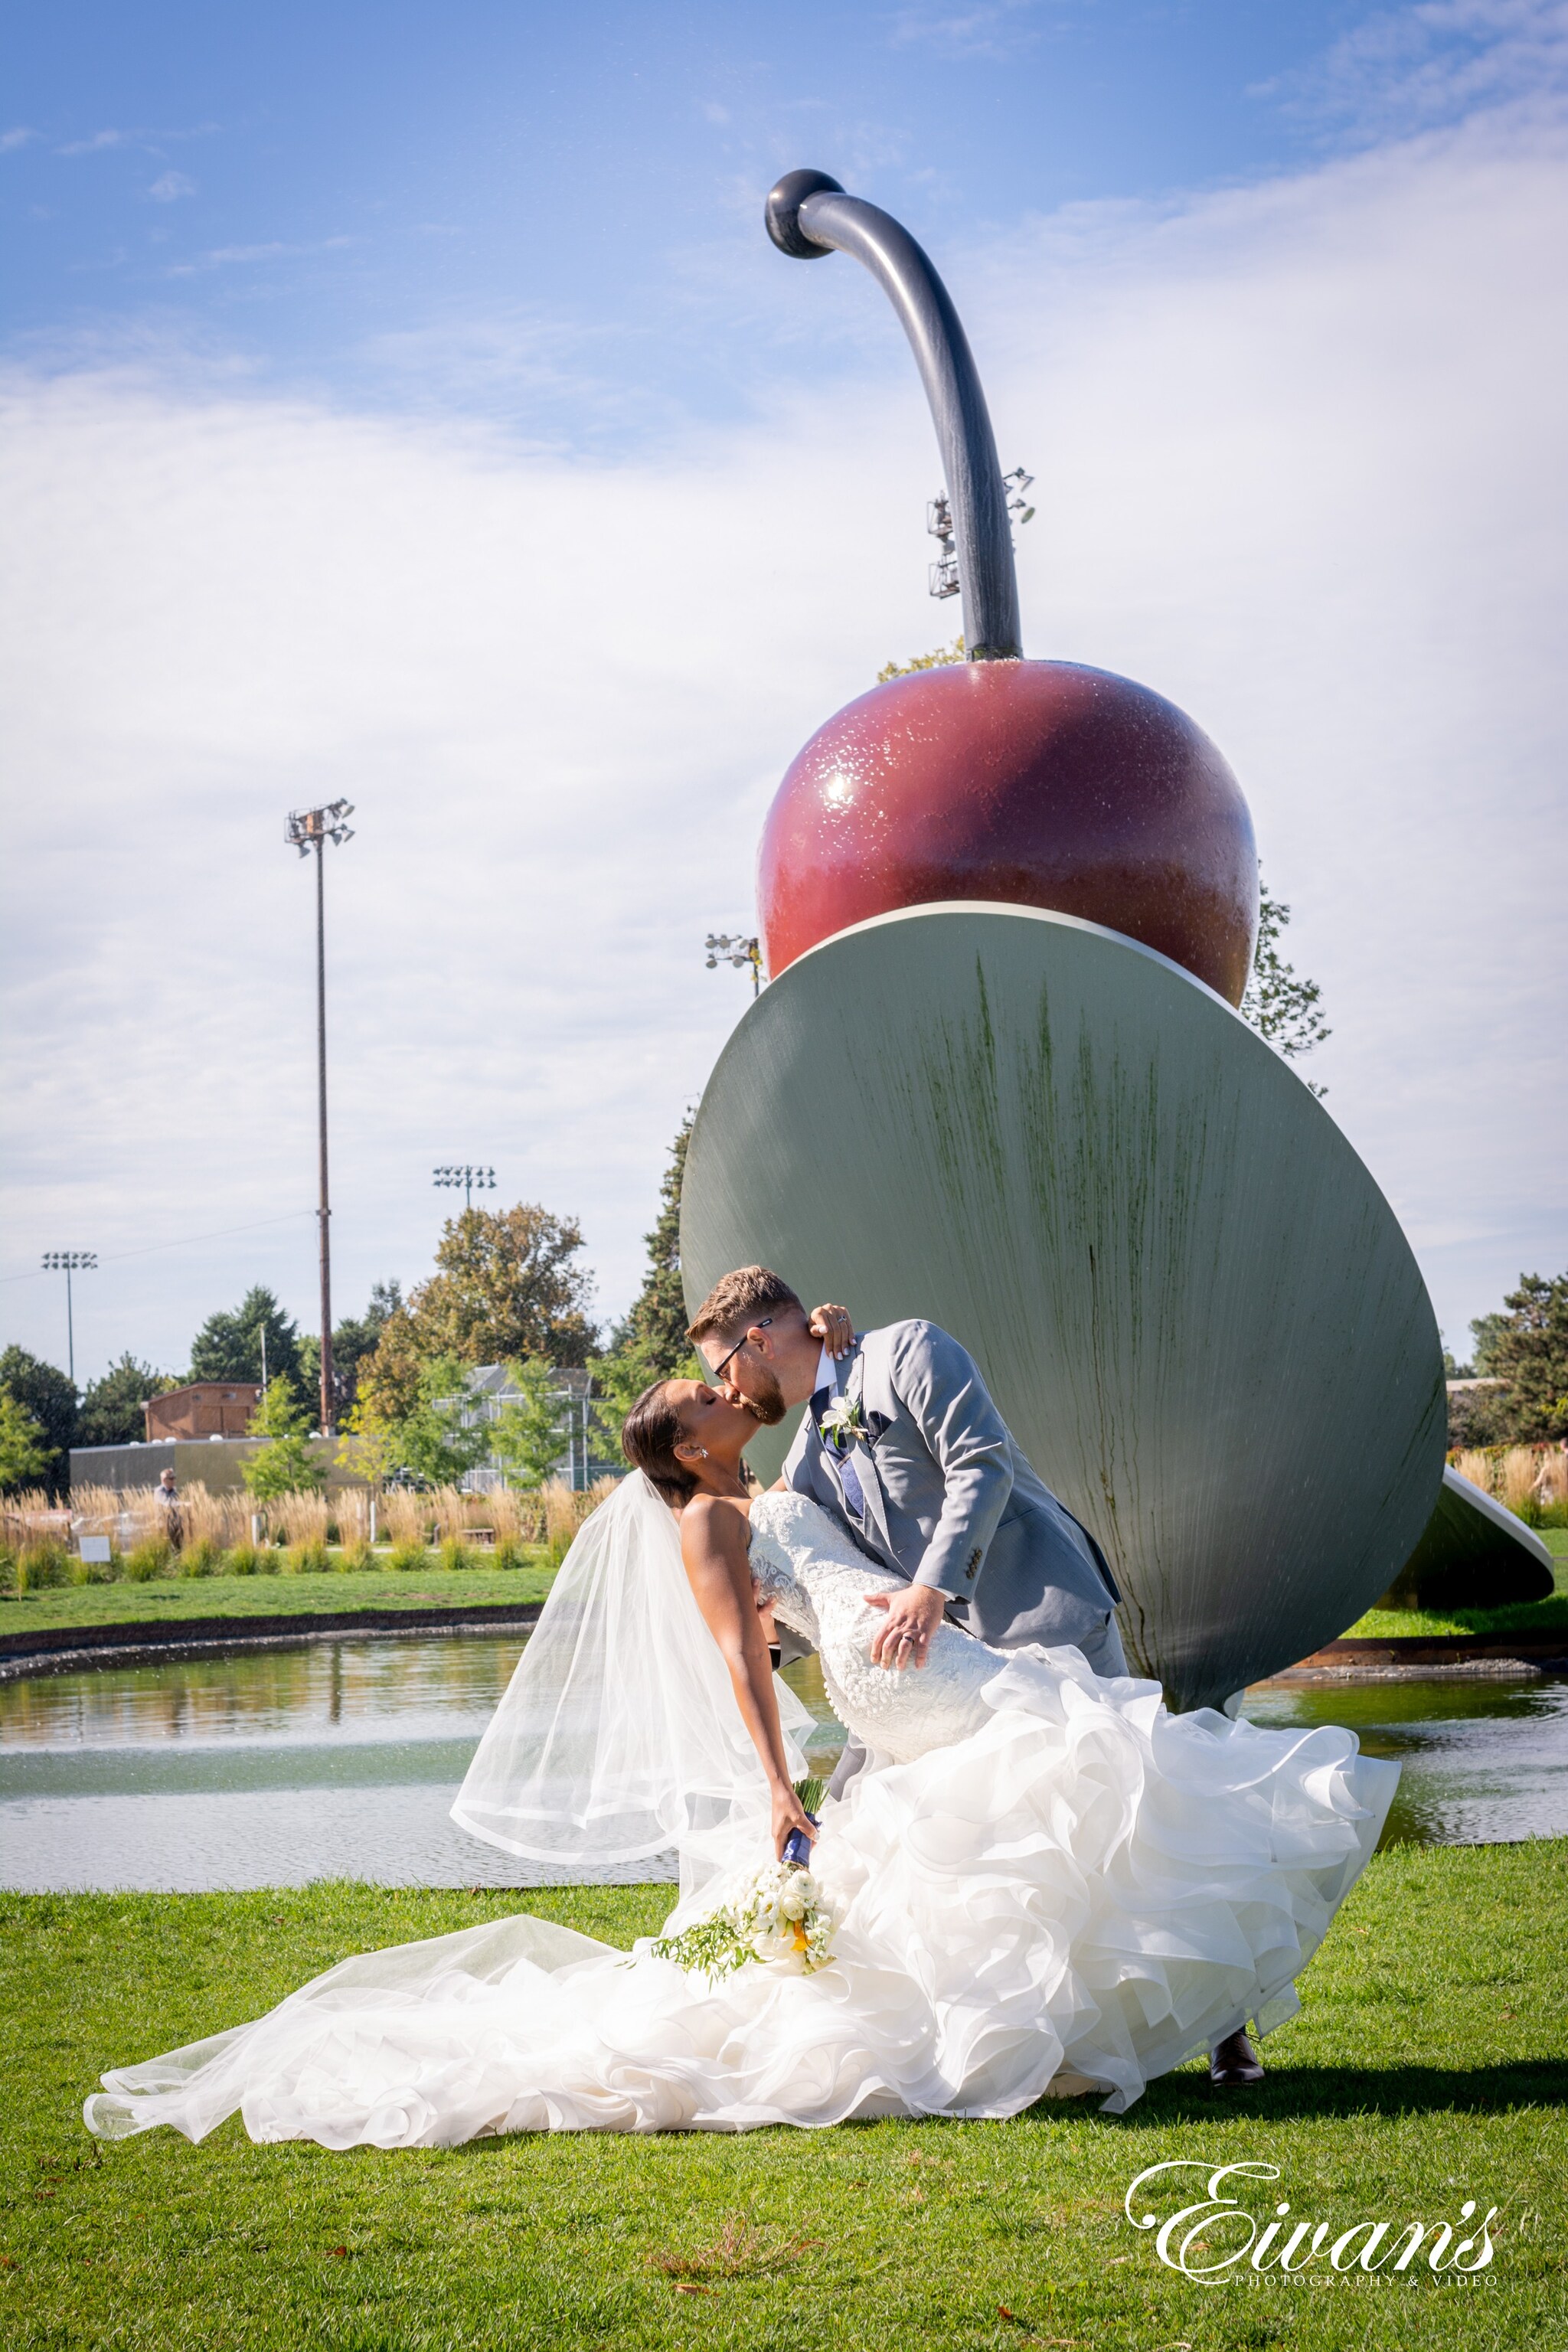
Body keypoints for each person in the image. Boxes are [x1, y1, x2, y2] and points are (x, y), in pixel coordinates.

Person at [83, 1366, 1399, 2148]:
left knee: (1058, 1790)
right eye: (707, 1396)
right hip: (904, 1686)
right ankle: (1116, 2023)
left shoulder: (753, 1492)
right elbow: (737, 1666)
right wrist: (776, 1789)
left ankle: (1107, 2021)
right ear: (688, 1445)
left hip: (921, 1666)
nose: (727, 1393)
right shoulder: (710, 1527)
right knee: (1078, 1773)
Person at [154, 1468, 182, 1553]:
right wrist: (182, 1504)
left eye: (174, 1478)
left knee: (178, 1546)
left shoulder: (174, 1491)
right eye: (171, 1478)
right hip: (164, 1523)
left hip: (175, 1522)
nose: (174, 1480)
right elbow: (167, 1504)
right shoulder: (159, 1491)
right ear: (164, 1480)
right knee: (166, 1546)